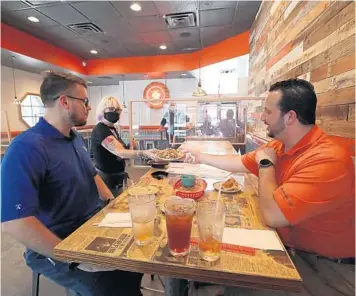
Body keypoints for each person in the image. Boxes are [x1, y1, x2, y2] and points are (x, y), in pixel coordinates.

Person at [184, 78, 355, 295]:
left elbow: (272, 215)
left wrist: (266, 165)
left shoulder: (327, 160)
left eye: (268, 112)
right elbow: (239, 162)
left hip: (325, 268)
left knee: (235, 281)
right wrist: (198, 156)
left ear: (290, 117)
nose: (262, 118)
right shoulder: (281, 145)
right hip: (288, 248)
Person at [1, 71, 143, 296]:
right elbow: (15, 223)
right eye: (85, 101)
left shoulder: (74, 138)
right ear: (64, 101)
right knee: (111, 285)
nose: (89, 107)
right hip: (57, 242)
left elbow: (93, 176)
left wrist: (113, 203)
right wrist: (70, 255)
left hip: (90, 227)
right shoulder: (26, 147)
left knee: (136, 261)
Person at [91, 96, 156, 194]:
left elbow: (119, 150)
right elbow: (120, 152)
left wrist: (129, 145)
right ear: (102, 110)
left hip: (116, 177)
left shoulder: (112, 129)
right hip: (106, 178)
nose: (115, 112)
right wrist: (144, 153)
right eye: (111, 109)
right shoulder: (100, 130)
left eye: (117, 110)